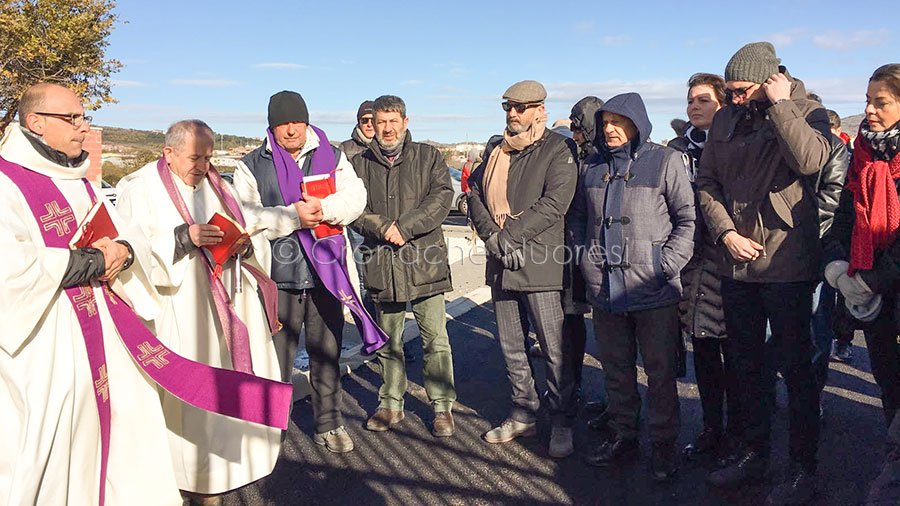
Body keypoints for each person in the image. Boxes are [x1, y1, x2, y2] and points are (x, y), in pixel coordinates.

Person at [0, 83, 184, 505]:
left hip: (101, 334)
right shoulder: (6, 182)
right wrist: (93, 262)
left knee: (123, 440)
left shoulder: (78, 178)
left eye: (84, 117)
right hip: (45, 345)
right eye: (74, 118)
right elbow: (10, 267)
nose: (85, 127)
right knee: (55, 451)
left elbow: (125, 230)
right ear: (36, 122)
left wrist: (124, 249)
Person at [115, 120, 284, 503]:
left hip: (225, 305)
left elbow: (248, 227)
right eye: (196, 157)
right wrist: (182, 238)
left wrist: (242, 246)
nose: (204, 165)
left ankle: (220, 475)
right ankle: (183, 481)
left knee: (221, 398)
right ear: (169, 152)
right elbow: (129, 251)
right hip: (177, 311)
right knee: (187, 402)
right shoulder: (138, 189)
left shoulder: (217, 186)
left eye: (209, 157)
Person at [698, 42, 832, 504]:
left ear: (769, 80)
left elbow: (812, 161)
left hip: (788, 261)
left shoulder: (807, 111)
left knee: (796, 369)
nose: (733, 99)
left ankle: (802, 467)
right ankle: (753, 453)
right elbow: (707, 182)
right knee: (746, 366)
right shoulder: (725, 119)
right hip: (738, 261)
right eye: (729, 91)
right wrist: (724, 232)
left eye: (741, 90)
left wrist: (782, 105)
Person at [233, 90, 379, 454]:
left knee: (326, 352)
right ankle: (272, 427)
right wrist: (291, 217)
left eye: (296, 121)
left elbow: (355, 197)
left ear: (307, 121)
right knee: (276, 358)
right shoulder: (251, 164)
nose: (291, 130)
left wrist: (326, 208)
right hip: (276, 276)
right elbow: (244, 215)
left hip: (325, 274)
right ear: (271, 126)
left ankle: (329, 423)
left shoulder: (333, 156)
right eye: (282, 124)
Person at [571, 92, 695, 481]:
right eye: (604, 122)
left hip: (653, 290)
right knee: (616, 370)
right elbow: (577, 220)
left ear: (637, 123)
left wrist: (664, 265)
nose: (609, 128)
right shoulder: (591, 166)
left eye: (618, 121)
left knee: (659, 375)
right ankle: (624, 435)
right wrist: (585, 258)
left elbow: (688, 220)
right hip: (605, 288)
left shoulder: (665, 161)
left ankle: (663, 446)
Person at [468, 80, 579, 458]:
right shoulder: (495, 152)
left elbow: (554, 204)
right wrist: (493, 239)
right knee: (512, 346)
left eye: (520, 107)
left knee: (554, 349)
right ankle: (523, 412)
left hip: (542, 265)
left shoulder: (558, 149)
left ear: (539, 110)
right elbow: (475, 196)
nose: (512, 114)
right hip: (502, 265)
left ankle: (562, 420)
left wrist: (509, 238)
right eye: (508, 107)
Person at [350, 95, 457, 437]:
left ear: (405, 122)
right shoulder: (359, 164)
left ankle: (441, 406)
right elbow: (352, 209)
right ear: (373, 125)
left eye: (393, 121)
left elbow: (442, 198)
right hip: (383, 263)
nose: (387, 128)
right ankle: (390, 404)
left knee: (435, 339)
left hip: (424, 262)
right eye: (381, 122)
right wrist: (382, 227)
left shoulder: (428, 157)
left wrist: (405, 227)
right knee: (389, 341)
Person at [823, 62, 900, 438]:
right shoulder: (862, 154)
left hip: (882, 282)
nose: (869, 110)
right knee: (888, 380)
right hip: (871, 295)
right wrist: (838, 263)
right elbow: (843, 213)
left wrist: (873, 279)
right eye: (867, 101)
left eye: (880, 102)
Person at [668, 73, 739, 461]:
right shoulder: (677, 149)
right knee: (706, 352)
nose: (694, 107)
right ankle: (713, 428)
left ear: (723, 104)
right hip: (691, 263)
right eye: (691, 100)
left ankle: (743, 432)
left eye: (703, 100)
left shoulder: (736, 144)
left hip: (730, 259)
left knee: (740, 355)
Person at [567, 96, 608, 425]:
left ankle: (616, 401)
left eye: (579, 126)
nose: (574, 132)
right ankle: (575, 386)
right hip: (573, 251)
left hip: (604, 252)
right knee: (574, 321)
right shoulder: (578, 155)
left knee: (612, 333)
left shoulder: (603, 159)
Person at [341, 101, 379, 323]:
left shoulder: (386, 146)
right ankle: (370, 331)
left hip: (383, 218)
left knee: (384, 277)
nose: (369, 124)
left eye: (373, 119)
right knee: (364, 280)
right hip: (357, 223)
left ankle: (392, 338)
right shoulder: (345, 150)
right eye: (364, 120)